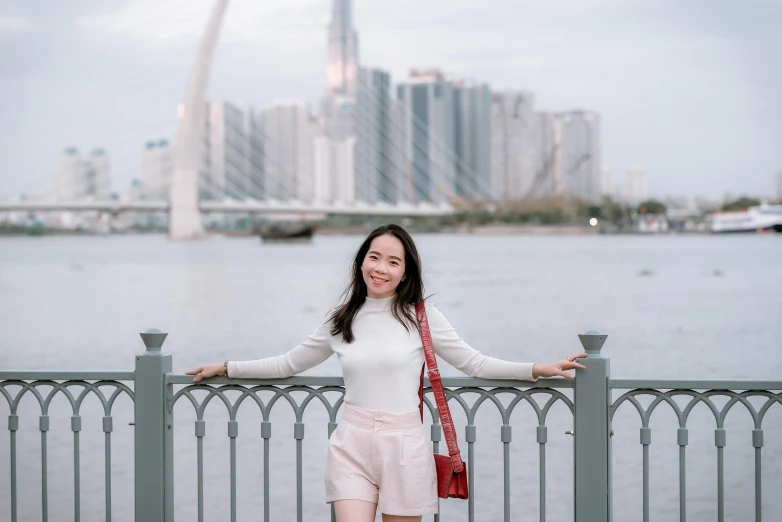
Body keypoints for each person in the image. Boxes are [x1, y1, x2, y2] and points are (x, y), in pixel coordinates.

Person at [186, 224, 586, 522]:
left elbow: (474, 363)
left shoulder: (422, 318)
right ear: (361, 260)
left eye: (393, 261)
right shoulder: (342, 319)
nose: (381, 268)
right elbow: (289, 364)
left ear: (406, 270)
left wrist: (537, 369)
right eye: (374, 257)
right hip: (352, 444)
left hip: (405, 446)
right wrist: (226, 367)